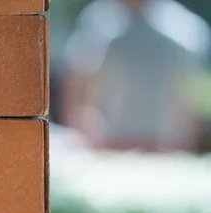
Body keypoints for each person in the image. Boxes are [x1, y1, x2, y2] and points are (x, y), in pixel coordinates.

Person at [62, 0, 210, 151]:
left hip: (164, 149)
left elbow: (193, 106)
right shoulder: (97, 21)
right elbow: (78, 89)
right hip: (110, 147)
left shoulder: (186, 29)